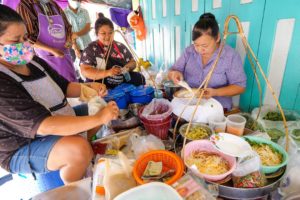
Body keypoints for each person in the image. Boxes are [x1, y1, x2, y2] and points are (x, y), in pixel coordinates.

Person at [0, 5, 119, 184]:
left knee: (97, 107)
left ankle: (83, 155)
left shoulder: (34, 62)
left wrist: (90, 88)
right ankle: (76, 185)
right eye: (16, 41)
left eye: (25, 37)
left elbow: (64, 86)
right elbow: (44, 125)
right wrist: (98, 119)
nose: (24, 45)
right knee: (78, 149)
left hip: (53, 119)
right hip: (22, 144)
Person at [168, 13, 247, 111]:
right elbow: (172, 71)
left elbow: (240, 87)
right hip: (188, 104)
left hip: (216, 107)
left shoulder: (230, 56)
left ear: (217, 38)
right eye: (196, 45)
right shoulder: (189, 51)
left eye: (204, 46)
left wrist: (215, 92)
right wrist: (174, 74)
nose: (200, 50)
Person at [16, 0, 77, 82]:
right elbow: (27, 37)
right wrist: (51, 50)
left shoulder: (53, 4)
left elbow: (68, 27)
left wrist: (69, 41)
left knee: (72, 85)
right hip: (46, 57)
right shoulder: (25, 5)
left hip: (65, 55)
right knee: (56, 86)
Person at [80, 13, 145, 89]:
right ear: (97, 34)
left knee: (140, 78)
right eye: (103, 33)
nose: (107, 36)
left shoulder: (120, 46)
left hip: (119, 80)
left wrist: (125, 69)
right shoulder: (90, 49)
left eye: (110, 33)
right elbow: (85, 70)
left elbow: (133, 62)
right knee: (91, 88)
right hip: (100, 82)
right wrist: (108, 73)